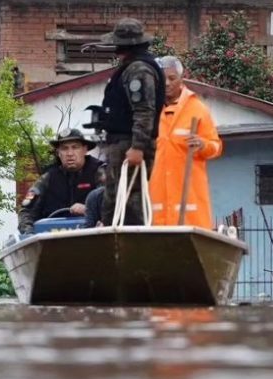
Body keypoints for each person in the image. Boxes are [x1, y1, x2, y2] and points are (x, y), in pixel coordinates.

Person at [89, 18, 165, 227]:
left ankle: (135, 246)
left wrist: (137, 146)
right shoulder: (133, 67)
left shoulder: (138, 69)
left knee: (130, 200)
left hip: (128, 144)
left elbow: (144, 110)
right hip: (123, 143)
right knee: (116, 199)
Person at [148, 56, 222, 228]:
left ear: (181, 79)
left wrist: (203, 145)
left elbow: (216, 146)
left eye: (172, 78)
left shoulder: (197, 110)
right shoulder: (150, 111)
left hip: (190, 208)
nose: (166, 83)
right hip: (157, 208)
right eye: (162, 78)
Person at [17, 128, 102, 234]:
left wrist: (88, 210)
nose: (70, 153)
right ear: (58, 153)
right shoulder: (47, 178)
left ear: (85, 149)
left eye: (75, 147)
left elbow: (114, 205)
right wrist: (29, 234)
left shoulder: (100, 172)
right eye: (64, 149)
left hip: (93, 236)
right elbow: (26, 210)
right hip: (51, 240)